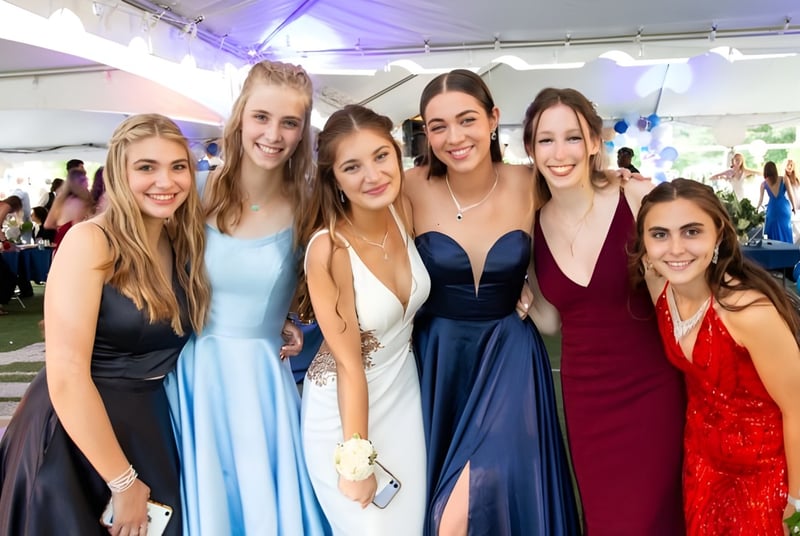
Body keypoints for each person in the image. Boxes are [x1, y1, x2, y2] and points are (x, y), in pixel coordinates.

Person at [0, 113, 211, 535]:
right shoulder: (91, 241)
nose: (165, 181)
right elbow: (67, 376)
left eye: (177, 167)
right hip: (75, 436)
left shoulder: (181, 242)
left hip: (147, 424)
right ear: (118, 173)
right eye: (146, 167)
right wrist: (122, 480)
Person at [404, 69, 579, 535]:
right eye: (438, 126)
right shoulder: (407, 187)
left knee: (465, 510)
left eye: (466, 120)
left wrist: (624, 181)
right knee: (443, 504)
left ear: (493, 119)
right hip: (438, 360)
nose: (454, 137)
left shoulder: (532, 181)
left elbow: (591, 199)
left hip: (511, 357)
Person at [165, 60, 329, 535]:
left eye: (289, 123)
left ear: (302, 132)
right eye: (262, 117)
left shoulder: (309, 207)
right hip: (192, 377)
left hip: (261, 380)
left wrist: (290, 319)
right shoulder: (190, 193)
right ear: (239, 116)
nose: (273, 134)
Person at [523, 87, 685, 535]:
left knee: (652, 519)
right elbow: (554, 321)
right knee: (606, 520)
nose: (559, 153)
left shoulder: (636, 198)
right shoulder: (532, 222)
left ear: (595, 142)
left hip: (652, 389)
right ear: (531, 150)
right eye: (545, 140)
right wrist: (520, 298)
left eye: (572, 138)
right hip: (586, 400)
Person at [631, 178, 800, 535]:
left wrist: (797, 505)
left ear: (719, 234)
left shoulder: (747, 311)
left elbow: (797, 408)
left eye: (692, 231)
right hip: (703, 469)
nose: (675, 249)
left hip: (765, 477)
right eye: (659, 234)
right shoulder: (658, 286)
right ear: (645, 245)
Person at [297, 104, 429, 535]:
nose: (373, 176)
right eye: (352, 167)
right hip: (343, 412)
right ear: (333, 178)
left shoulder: (402, 208)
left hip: (402, 393)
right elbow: (349, 365)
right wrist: (356, 462)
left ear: (396, 153)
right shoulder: (328, 249)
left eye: (380, 156)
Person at [44, 168, 93, 254]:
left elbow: (47, 224)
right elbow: (77, 226)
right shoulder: (81, 202)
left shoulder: (60, 199)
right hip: (75, 245)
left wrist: (60, 227)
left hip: (59, 243)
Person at [758, 160, 795, 243]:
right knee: (785, 229)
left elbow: (760, 200)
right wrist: (794, 207)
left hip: (772, 208)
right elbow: (791, 194)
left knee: (772, 231)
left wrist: (756, 209)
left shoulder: (764, 184)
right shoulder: (784, 179)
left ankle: (774, 252)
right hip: (784, 208)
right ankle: (787, 250)